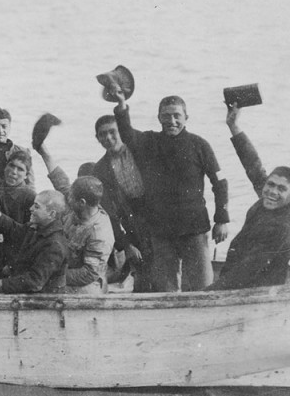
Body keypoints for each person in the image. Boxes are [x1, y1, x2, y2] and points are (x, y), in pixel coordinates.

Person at [108, 84, 229, 292]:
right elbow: (126, 133)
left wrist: (222, 219)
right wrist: (121, 104)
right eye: (166, 116)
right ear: (158, 118)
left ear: (186, 117)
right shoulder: (149, 142)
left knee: (202, 286)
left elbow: (220, 183)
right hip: (161, 229)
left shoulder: (199, 145)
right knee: (165, 287)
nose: (171, 121)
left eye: (176, 116)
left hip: (194, 227)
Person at [208, 104, 290, 289]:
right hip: (239, 280)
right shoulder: (270, 199)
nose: (272, 192)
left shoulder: (281, 226)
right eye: (270, 184)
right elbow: (253, 164)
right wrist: (233, 126)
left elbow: (247, 271)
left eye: (281, 189)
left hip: (256, 291)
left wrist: (210, 292)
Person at [33, 142, 115, 296]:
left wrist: (50, 274)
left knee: (38, 291)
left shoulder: (99, 234)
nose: (66, 196)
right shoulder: (79, 205)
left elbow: (88, 274)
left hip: (86, 287)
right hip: (62, 270)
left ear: (82, 202)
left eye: (70, 196)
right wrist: (43, 151)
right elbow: (61, 181)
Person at [90, 114, 153, 291]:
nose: (108, 138)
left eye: (113, 132)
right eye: (103, 134)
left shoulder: (140, 150)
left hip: (157, 218)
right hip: (133, 225)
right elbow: (109, 213)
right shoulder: (100, 169)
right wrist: (126, 245)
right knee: (142, 275)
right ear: (97, 138)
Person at [0, 190, 71, 295]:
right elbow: (15, 230)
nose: (31, 209)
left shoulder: (54, 245)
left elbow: (35, 281)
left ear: (51, 214)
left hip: (46, 303)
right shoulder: (36, 228)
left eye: (36, 207)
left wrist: (0, 284)